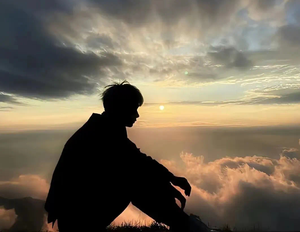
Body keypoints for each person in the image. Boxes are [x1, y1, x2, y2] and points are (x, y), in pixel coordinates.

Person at [45, 80, 206, 232]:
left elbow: (137, 159)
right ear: (120, 108)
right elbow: (135, 166)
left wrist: (170, 179)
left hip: (77, 211)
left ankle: (183, 224)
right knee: (134, 184)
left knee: (135, 181)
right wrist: (168, 184)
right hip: (75, 216)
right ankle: (185, 225)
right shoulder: (101, 134)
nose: (137, 115)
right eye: (133, 108)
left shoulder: (104, 128)